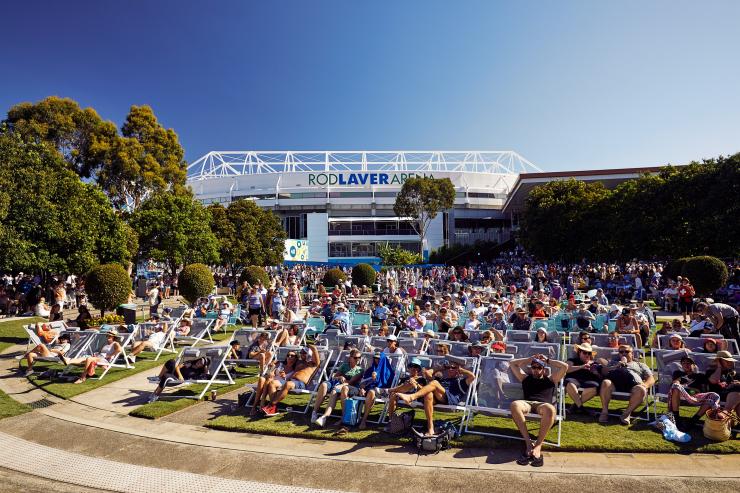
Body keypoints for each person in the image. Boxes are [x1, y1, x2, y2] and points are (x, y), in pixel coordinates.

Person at [509, 354, 568, 467]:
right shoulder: (525, 378)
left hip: (543, 405)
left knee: (550, 408)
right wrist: (529, 359)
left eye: (539, 367)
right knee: (515, 404)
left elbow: (564, 367)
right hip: (527, 403)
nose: (536, 370)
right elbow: (512, 363)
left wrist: (547, 360)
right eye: (534, 367)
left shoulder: (551, 379)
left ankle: (538, 445)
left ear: (544, 369)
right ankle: (528, 442)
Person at [394, 358, 476, 436]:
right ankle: (430, 428)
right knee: (428, 394)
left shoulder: (461, 381)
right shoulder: (443, 379)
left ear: (457, 370)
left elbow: (472, 376)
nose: (450, 369)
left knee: (435, 382)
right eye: (449, 367)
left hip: (450, 398)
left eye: (453, 368)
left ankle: (411, 397)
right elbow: (427, 373)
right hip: (438, 397)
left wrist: (461, 370)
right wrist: (442, 368)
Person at [598, 345, 654, 424]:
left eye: (627, 352)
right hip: (615, 384)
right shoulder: (613, 362)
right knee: (606, 382)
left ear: (632, 354)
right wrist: (616, 366)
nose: (624, 353)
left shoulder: (640, 365)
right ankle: (604, 412)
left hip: (633, 385)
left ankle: (626, 413)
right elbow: (603, 371)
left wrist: (645, 385)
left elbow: (651, 378)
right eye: (621, 352)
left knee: (641, 389)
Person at [260, 344, 320, 416]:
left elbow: (314, 350)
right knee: (272, 383)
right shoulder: (299, 362)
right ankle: (273, 408)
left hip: (300, 383)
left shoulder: (313, 364)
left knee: (288, 384)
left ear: (309, 354)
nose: (301, 354)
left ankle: (271, 405)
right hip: (290, 381)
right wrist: (273, 363)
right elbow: (282, 361)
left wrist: (309, 345)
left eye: (304, 353)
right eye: (300, 353)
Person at [311, 349, 364, 427]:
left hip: (347, 386)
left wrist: (341, 385)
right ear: (350, 358)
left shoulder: (359, 370)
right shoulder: (344, 365)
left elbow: (351, 382)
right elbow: (335, 376)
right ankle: (314, 412)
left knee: (334, 392)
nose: (358, 359)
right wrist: (340, 377)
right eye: (355, 358)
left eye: (359, 357)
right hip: (337, 383)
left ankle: (324, 417)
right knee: (323, 385)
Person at [249, 349, 298, 415]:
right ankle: (257, 404)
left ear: (296, 358)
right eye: (288, 355)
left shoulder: (295, 369)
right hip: (271, 380)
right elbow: (273, 371)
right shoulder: (280, 364)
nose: (289, 357)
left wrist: (284, 376)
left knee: (269, 380)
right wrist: (272, 372)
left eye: (292, 356)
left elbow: (290, 381)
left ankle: (259, 404)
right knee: (261, 379)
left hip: (281, 383)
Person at [565, 343, 604, 414]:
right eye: (585, 352)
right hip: (574, 379)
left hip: (588, 381)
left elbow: (601, 377)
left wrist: (597, 373)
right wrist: (581, 366)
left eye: (589, 353)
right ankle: (582, 409)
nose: (587, 355)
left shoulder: (594, 364)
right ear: (579, 352)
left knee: (595, 387)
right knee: (570, 383)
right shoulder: (572, 360)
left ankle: (574, 407)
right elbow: (566, 369)